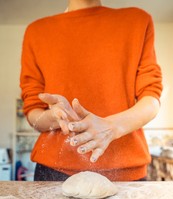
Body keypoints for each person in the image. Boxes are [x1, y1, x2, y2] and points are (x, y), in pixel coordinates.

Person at [20, 0, 162, 181]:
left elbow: (151, 99)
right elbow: (34, 115)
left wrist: (112, 127)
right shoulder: (37, 31)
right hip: (55, 172)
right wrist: (56, 117)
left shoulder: (138, 21)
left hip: (126, 171)